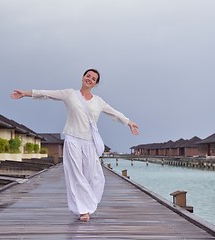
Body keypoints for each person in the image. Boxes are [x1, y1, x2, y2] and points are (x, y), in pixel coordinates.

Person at [10, 69, 139, 222]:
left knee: (95, 177)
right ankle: (83, 210)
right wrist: (25, 93)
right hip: (72, 140)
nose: (89, 79)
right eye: (88, 76)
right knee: (75, 175)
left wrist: (129, 122)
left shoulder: (98, 101)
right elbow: (47, 94)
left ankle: (89, 202)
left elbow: (114, 113)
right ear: (83, 77)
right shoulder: (69, 94)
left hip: (89, 142)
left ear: (96, 84)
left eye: (93, 78)